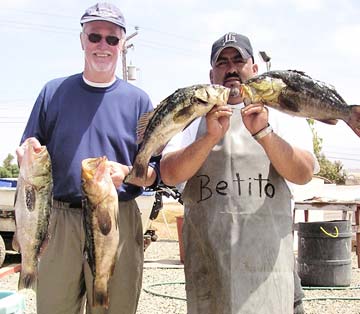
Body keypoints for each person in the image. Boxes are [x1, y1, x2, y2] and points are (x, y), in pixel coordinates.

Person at [15, 3, 159, 314]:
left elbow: (154, 173)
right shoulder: (52, 93)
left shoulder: (139, 102)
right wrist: (26, 152)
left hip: (115, 217)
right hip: (60, 221)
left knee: (114, 308)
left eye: (112, 39)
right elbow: (30, 147)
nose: (103, 46)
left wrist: (131, 174)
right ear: (82, 40)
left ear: (122, 44)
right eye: (95, 36)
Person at [160, 32, 319, 314]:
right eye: (222, 62)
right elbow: (170, 174)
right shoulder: (192, 116)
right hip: (210, 270)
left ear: (255, 68)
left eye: (239, 60)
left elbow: (303, 172)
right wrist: (208, 138)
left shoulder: (282, 112)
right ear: (211, 74)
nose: (231, 68)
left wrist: (265, 133)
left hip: (267, 274)